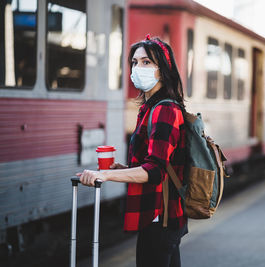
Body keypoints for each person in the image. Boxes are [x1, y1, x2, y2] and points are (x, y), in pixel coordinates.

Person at [76, 34, 187, 267]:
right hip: (160, 217)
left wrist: (105, 175)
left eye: (146, 62)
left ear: (162, 70)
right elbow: (157, 164)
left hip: (160, 217)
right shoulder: (150, 108)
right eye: (135, 62)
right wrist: (124, 170)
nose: (138, 68)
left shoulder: (164, 110)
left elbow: (155, 171)